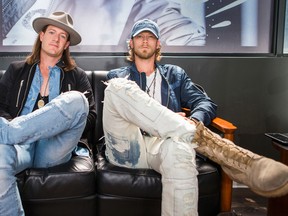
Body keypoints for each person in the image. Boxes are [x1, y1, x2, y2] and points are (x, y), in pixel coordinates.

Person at [103, 19, 288, 216]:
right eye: (139, 36)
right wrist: (174, 120)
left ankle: (189, 133)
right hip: (128, 146)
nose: (145, 41)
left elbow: (206, 104)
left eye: (150, 37)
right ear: (131, 43)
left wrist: (193, 120)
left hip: (165, 144)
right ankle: (223, 151)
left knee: (180, 151)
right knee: (116, 87)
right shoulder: (118, 75)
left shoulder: (175, 75)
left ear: (158, 44)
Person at [0, 11, 96, 216]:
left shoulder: (77, 76)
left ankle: (8, 132)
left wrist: (57, 124)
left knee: (78, 100)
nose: (56, 38)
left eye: (63, 36)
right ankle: (12, 133)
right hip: (20, 147)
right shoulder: (16, 70)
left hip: (55, 146)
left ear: (67, 44)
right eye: (52, 32)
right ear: (41, 36)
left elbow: (91, 117)